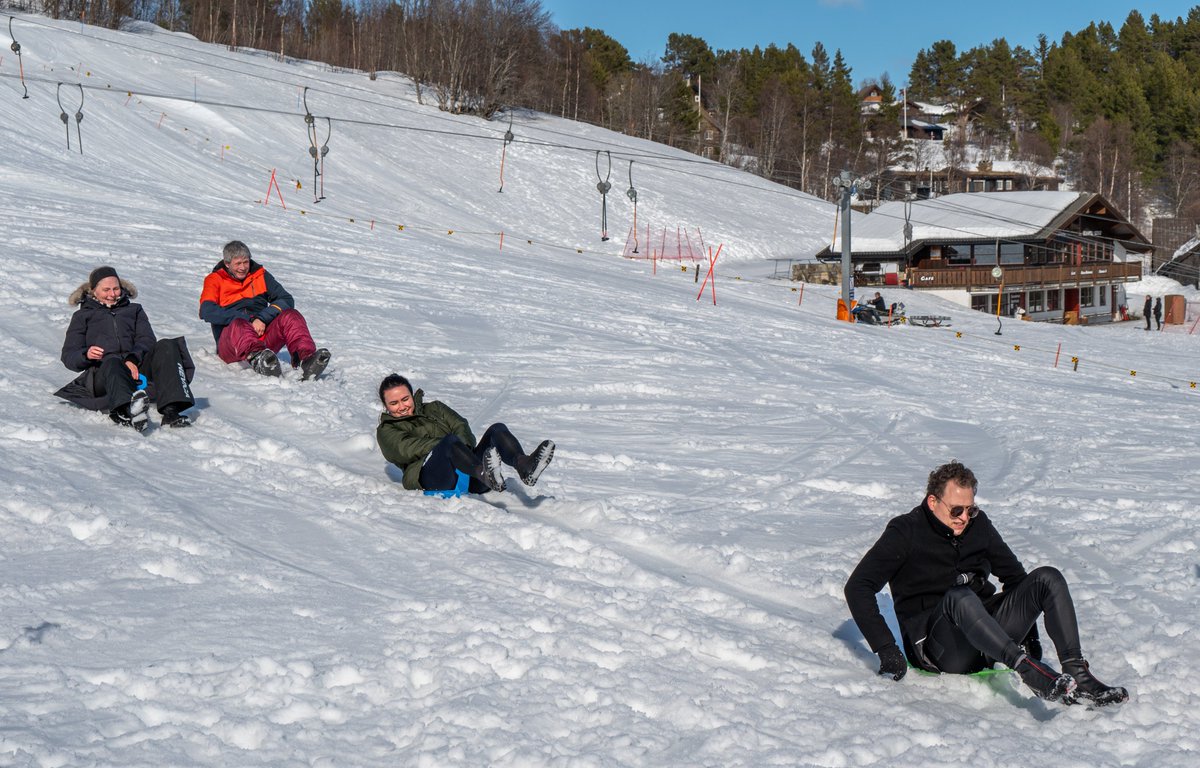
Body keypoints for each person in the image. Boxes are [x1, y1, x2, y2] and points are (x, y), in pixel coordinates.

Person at [844, 460, 1127, 707]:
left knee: (1047, 578)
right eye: (956, 510)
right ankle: (1027, 670)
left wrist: (1030, 636)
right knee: (959, 596)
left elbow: (1017, 579)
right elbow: (858, 587)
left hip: (987, 636)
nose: (964, 518)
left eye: (970, 509)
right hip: (940, 647)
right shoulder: (905, 531)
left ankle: (1077, 673)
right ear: (933, 502)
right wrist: (886, 648)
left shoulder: (978, 525)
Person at [57, 266, 196, 430]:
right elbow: (69, 355)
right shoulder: (82, 316)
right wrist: (86, 354)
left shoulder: (134, 310)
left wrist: (132, 359)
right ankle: (126, 411)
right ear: (94, 291)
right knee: (112, 362)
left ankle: (171, 410)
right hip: (105, 374)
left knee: (167, 345)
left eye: (116, 288)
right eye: (106, 290)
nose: (112, 294)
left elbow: (147, 339)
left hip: (136, 368)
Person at [376, 374, 555, 494]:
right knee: (449, 441)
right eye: (394, 403)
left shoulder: (435, 408)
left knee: (497, 429)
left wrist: (461, 452)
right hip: (434, 477)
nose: (402, 406)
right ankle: (484, 473)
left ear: (412, 395)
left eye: (405, 399)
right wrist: (448, 446)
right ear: (386, 406)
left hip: (470, 471)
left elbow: (461, 425)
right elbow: (406, 449)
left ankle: (524, 466)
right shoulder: (386, 430)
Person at [199, 241, 331, 379]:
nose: (243, 267)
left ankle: (306, 358)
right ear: (227, 264)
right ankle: (259, 360)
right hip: (232, 344)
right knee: (238, 323)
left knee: (291, 315)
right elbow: (206, 311)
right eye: (238, 263)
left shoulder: (259, 275)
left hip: (262, 336)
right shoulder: (215, 279)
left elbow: (286, 299)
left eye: (246, 262)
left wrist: (262, 318)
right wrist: (250, 320)